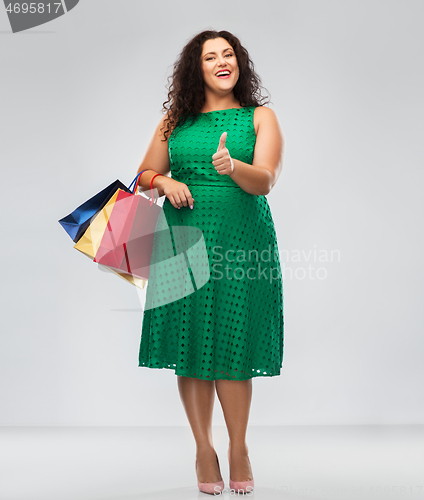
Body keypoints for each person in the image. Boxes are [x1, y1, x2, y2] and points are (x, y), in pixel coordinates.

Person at [135, 29, 285, 495]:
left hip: (242, 240)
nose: (223, 62)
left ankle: (238, 446)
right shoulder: (172, 122)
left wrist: (232, 167)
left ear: (239, 63)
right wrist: (163, 182)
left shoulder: (260, 117)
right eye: (210, 57)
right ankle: (204, 448)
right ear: (195, 69)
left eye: (229, 54)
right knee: (191, 344)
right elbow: (142, 174)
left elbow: (265, 180)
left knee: (234, 345)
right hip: (182, 239)